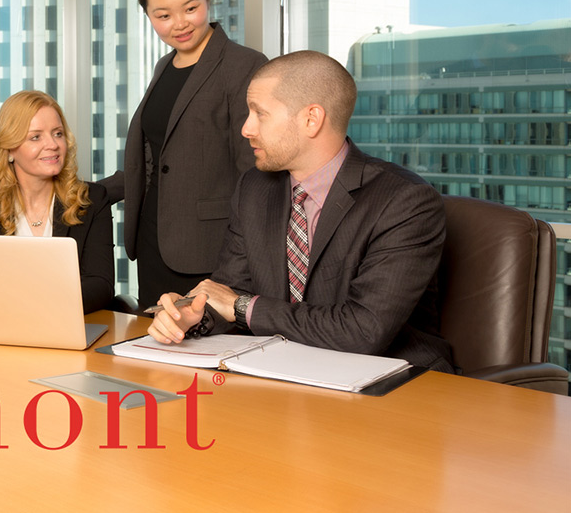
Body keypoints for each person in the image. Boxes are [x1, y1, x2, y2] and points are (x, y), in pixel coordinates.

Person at [148, 51, 455, 372]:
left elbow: (364, 331)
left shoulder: (405, 201)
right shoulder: (255, 187)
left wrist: (238, 305)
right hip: (287, 371)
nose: (246, 128)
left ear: (312, 119)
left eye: (259, 113)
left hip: (393, 382)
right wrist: (195, 316)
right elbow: (231, 292)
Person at [102, 0, 267, 307]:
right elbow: (155, 156)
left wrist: (240, 257)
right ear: (148, 15)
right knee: (153, 346)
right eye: (163, 15)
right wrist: (94, 192)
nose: (179, 23)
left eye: (190, 8)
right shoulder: (165, 65)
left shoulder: (245, 65)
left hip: (212, 247)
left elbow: (254, 172)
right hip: (153, 239)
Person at [0, 91, 115, 313]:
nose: (52, 144)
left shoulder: (92, 199)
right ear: (10, 148)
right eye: (36, 137)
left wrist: (40, 305)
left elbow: (101, 286)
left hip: (67, 326)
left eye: (58, 133)